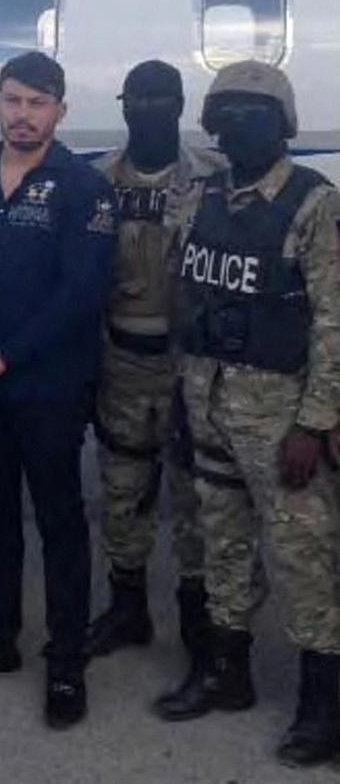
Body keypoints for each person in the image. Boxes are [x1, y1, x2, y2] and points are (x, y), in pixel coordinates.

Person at [154, 60, 340, 769]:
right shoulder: (199, 199)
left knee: (305, 561)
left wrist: (315, 424)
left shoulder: (313, 204)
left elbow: (333, 323)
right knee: (220, 544)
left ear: (284, 124)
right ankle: (226, 672)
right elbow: (186, 302)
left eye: (253, 114)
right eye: (225, 113)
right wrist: (180, 395)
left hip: (282, 416)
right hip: (207, 403)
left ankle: (323, 707)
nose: (236, 126)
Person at [0, 51, 117, 729]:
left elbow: (81, 293)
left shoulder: (83, 188)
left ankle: (65, 661)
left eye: (37, 103)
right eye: (12, 101)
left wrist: (7, 356)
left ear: (60, 111)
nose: (23, 115)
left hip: (47, 388)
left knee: (61, 523)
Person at [87, 61, 220, 658]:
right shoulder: (97, 182)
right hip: (122, 361)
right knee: (122, 490)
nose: (148, 110)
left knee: (197, 496)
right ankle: (128, 608)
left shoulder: (214, 179)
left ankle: (200, 621)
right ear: (123, 107)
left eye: (161, 100)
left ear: (180, 105)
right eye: (137, 99)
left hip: (191, 364)